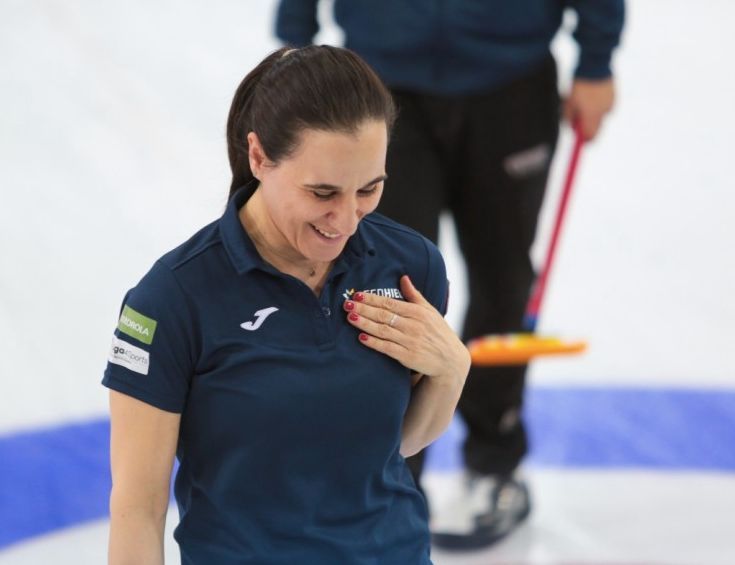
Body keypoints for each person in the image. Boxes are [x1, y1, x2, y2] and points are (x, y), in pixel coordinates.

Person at [275, 0, 625, 550]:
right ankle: (392, 474)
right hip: (379, 88)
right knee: (387, 286)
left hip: (510, 82)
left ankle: (494, 460)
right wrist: (294, 49)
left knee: (504, 277)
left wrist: (596, 61)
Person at [102, 45, 471, 564]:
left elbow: (398, 446)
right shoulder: (172, 298)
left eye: (369, 189)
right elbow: (138, 509)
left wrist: (452, 371)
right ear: (258, 157)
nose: (345, 220)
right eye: (322, 192)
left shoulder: (411, 267)